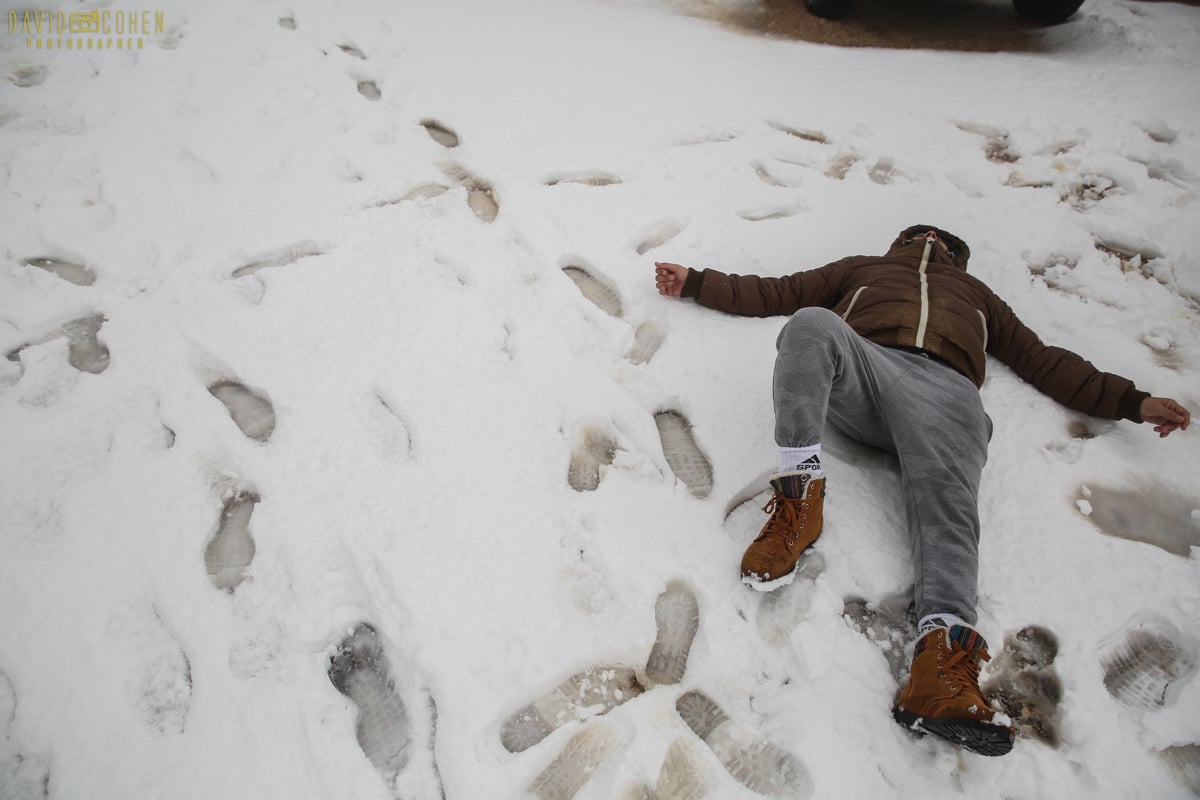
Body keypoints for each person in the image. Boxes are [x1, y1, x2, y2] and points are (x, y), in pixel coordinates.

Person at [653, 224, 1190, 757]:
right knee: (811, 324)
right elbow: (780, 291)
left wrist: (1132, 401)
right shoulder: (862, 268)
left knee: (950, 510)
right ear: (901, 243)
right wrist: (699, 282)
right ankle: (800, 500)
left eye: (943, 242)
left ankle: (941, 668)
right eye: (920, 235)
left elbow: (1043, 360)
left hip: (947, 394)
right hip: (870, 369)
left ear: (957, 258)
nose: (930, 241)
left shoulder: (979, 298)